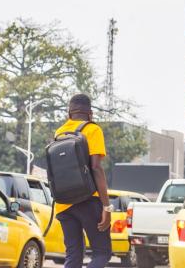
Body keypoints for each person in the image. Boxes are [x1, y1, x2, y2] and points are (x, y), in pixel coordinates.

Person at [54, 94, 112, 268]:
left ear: (69, 113)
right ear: (90, 114)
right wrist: (106, 207)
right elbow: (95, 168)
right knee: (102, 253)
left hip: (63, 203)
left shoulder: (59, 132)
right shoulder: (93, 130)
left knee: (73, 256)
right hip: (87, 201)